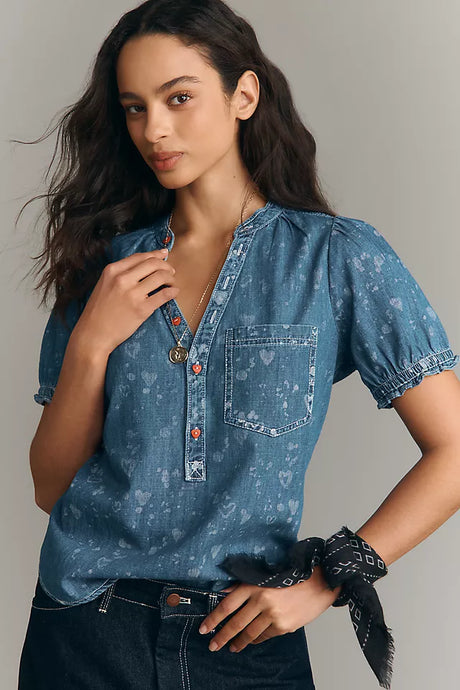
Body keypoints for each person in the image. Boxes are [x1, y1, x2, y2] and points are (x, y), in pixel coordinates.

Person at [18, 1, 460, 689]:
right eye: (134, 108)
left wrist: (327, 580)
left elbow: (454, 449)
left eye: (179, 98)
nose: (154, 129)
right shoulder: (108, 270)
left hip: (244, 644)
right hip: (84, 634)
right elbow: (51, 487)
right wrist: (91, 345)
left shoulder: (333, 260)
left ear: (243, 95)